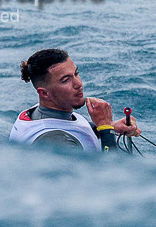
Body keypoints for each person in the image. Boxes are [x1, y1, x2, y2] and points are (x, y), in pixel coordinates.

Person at [10, 48, 140, 151]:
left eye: (76, 74)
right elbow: (111, 175)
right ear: (44, 93)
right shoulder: (55, 143)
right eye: (66, 80)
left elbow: (70, 128)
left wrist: (109, 126)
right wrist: (106, 130)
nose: (78, 83)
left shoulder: (41, 112)